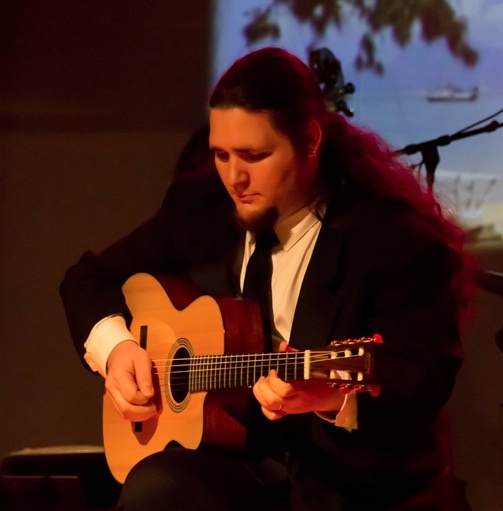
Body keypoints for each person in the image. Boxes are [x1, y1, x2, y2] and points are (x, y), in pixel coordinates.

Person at [60, 47, 474, 510]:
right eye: (220, 155)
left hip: (353, 485)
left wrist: (331, 397)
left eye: (254, 155)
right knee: (155, 489)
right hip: (232, 468)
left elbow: (420, 377)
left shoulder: (395, 240)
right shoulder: (199, 207)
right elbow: (87, 280)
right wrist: (118, 350)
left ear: (311, 140)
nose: (234, 178)